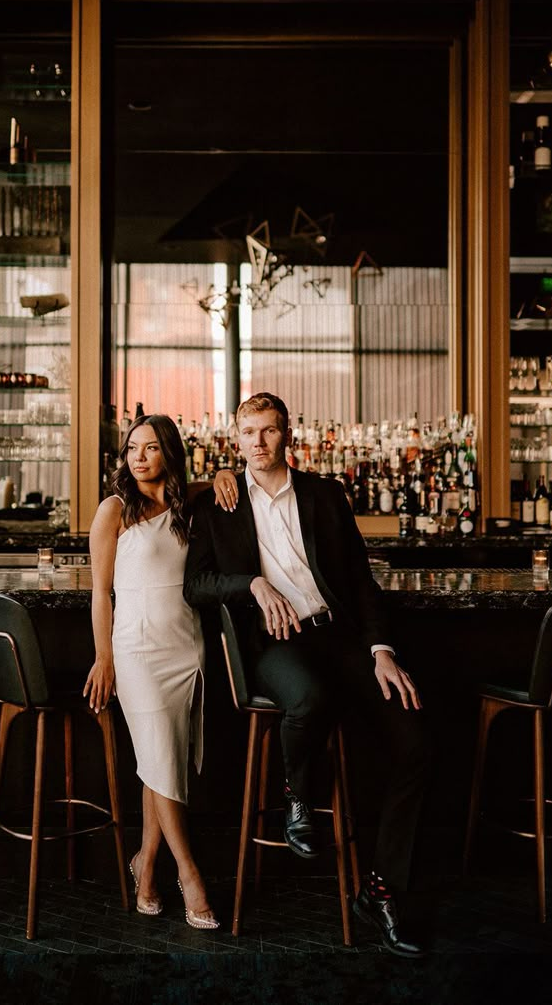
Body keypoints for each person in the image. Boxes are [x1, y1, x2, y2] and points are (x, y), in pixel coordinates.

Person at [184, 392, 431, 958]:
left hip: (341, 637)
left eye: (269, 431)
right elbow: (194, 586)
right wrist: (250, 583)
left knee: (417, 744)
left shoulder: (326, 495)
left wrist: (381, 649)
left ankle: (383, 891)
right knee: (311, 698)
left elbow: (361, 581)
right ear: (236, 438)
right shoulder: (215, 505)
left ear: (287, 434)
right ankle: (298, 796)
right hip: (272, 641)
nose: (259, 442)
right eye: (248, 433)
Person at [84, 413, 219, 930]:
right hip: (135, 650)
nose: (138, 457)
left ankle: (144, 870)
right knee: (161, 759)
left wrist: (224, 476)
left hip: (186, 647)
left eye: (150, 448)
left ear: (169, 453)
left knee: (160, 763)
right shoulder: (114, 510)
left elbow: (218, 484)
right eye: (131, 449)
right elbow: (101, 593)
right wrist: (104, 657)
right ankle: (189, 873)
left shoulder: (188, 507)